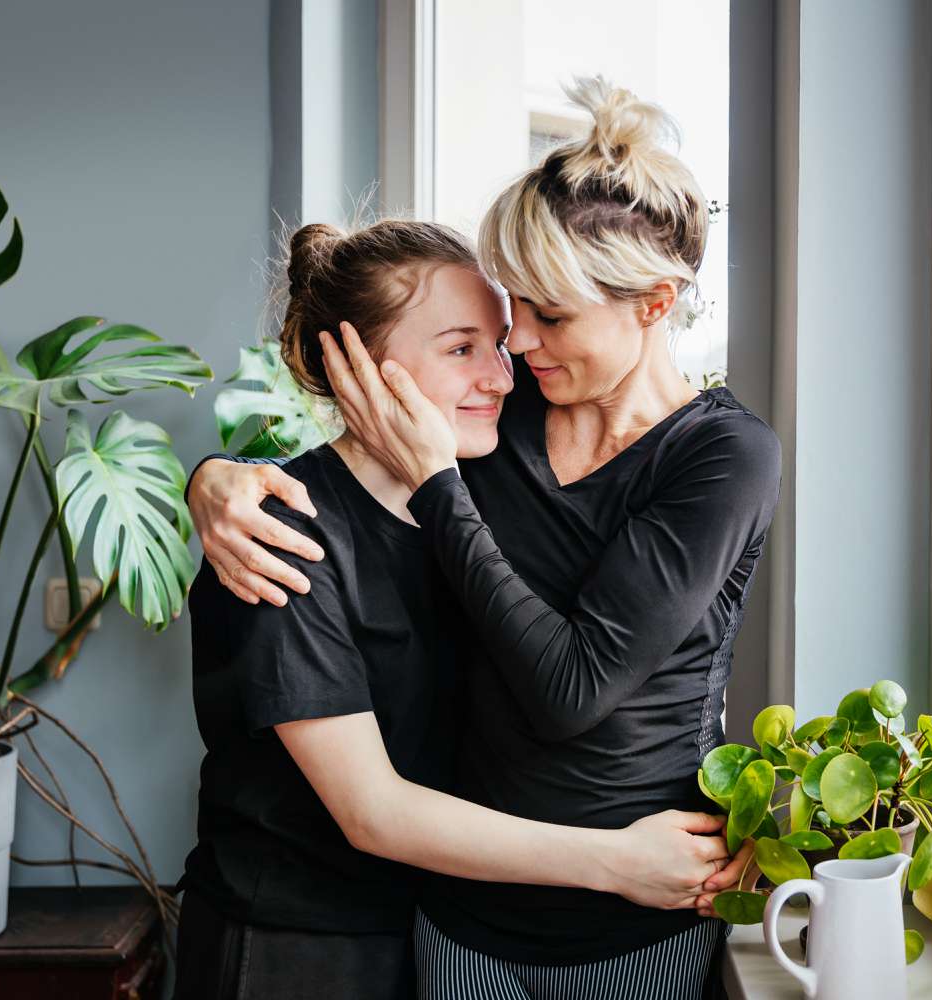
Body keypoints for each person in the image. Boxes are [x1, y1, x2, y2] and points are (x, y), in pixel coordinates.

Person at [188, 78, 782, 999]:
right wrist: (215, 481)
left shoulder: (704, 453)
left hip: (609, 917)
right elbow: (377, 806)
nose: (517, 360)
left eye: (544, 320)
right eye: (500, 328)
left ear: (655, 304)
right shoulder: (447, 447)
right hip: (396, 922)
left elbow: (580, 684)